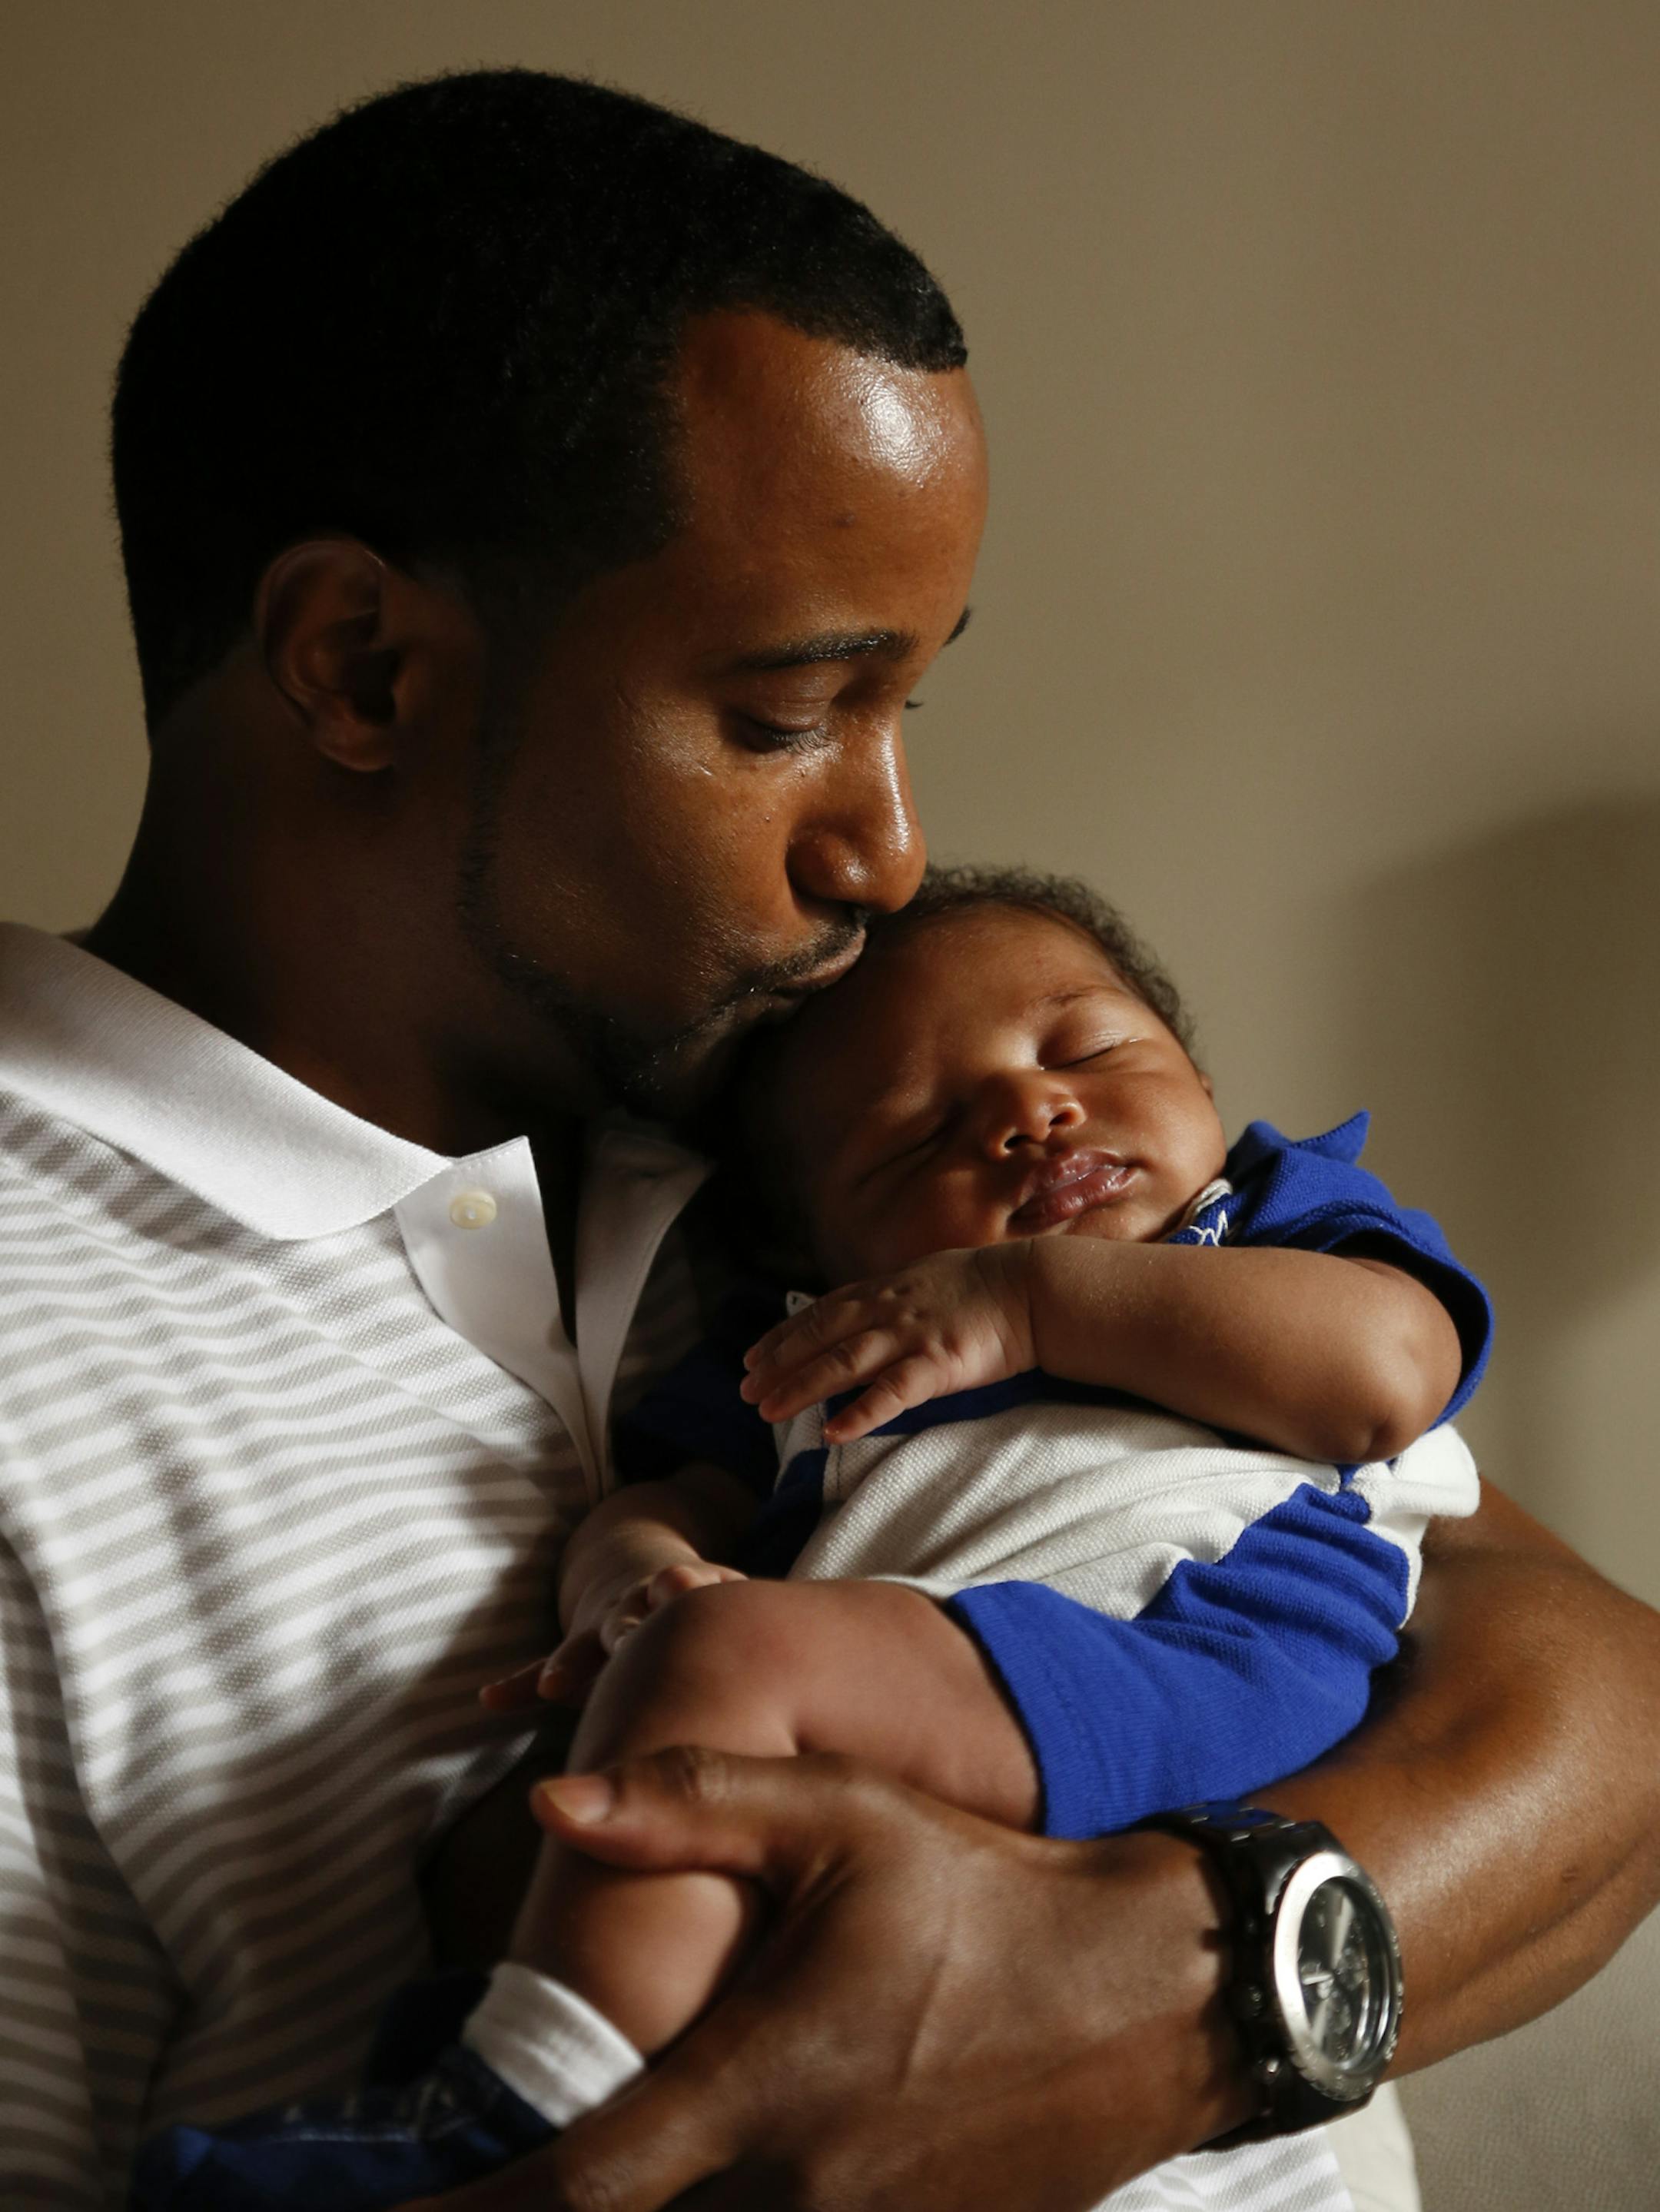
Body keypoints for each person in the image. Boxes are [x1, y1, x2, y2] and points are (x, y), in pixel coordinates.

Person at [1, 62, 1657, 2212]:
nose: (892, 851)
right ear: (364, 666)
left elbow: (1585, 1670)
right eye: (787, 715)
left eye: (908, 705)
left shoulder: (824, 1143)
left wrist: (1160, 1993)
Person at [133, 862, 1490, 2207]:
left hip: (1193, 1662)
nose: (1028, 1108)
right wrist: (636, 1577)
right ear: (819, 1252)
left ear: (1199, 1076)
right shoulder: (831, 1342)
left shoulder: (1263, 1225)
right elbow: (666, 1501)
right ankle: (582, 2082)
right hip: (941, 1706)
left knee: (738, 1670)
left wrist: (1029, 1300)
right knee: (596, 1789)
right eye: (916, 1137)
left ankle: (506, 2118)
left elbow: (1385, 1371)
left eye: (1088, 1044)